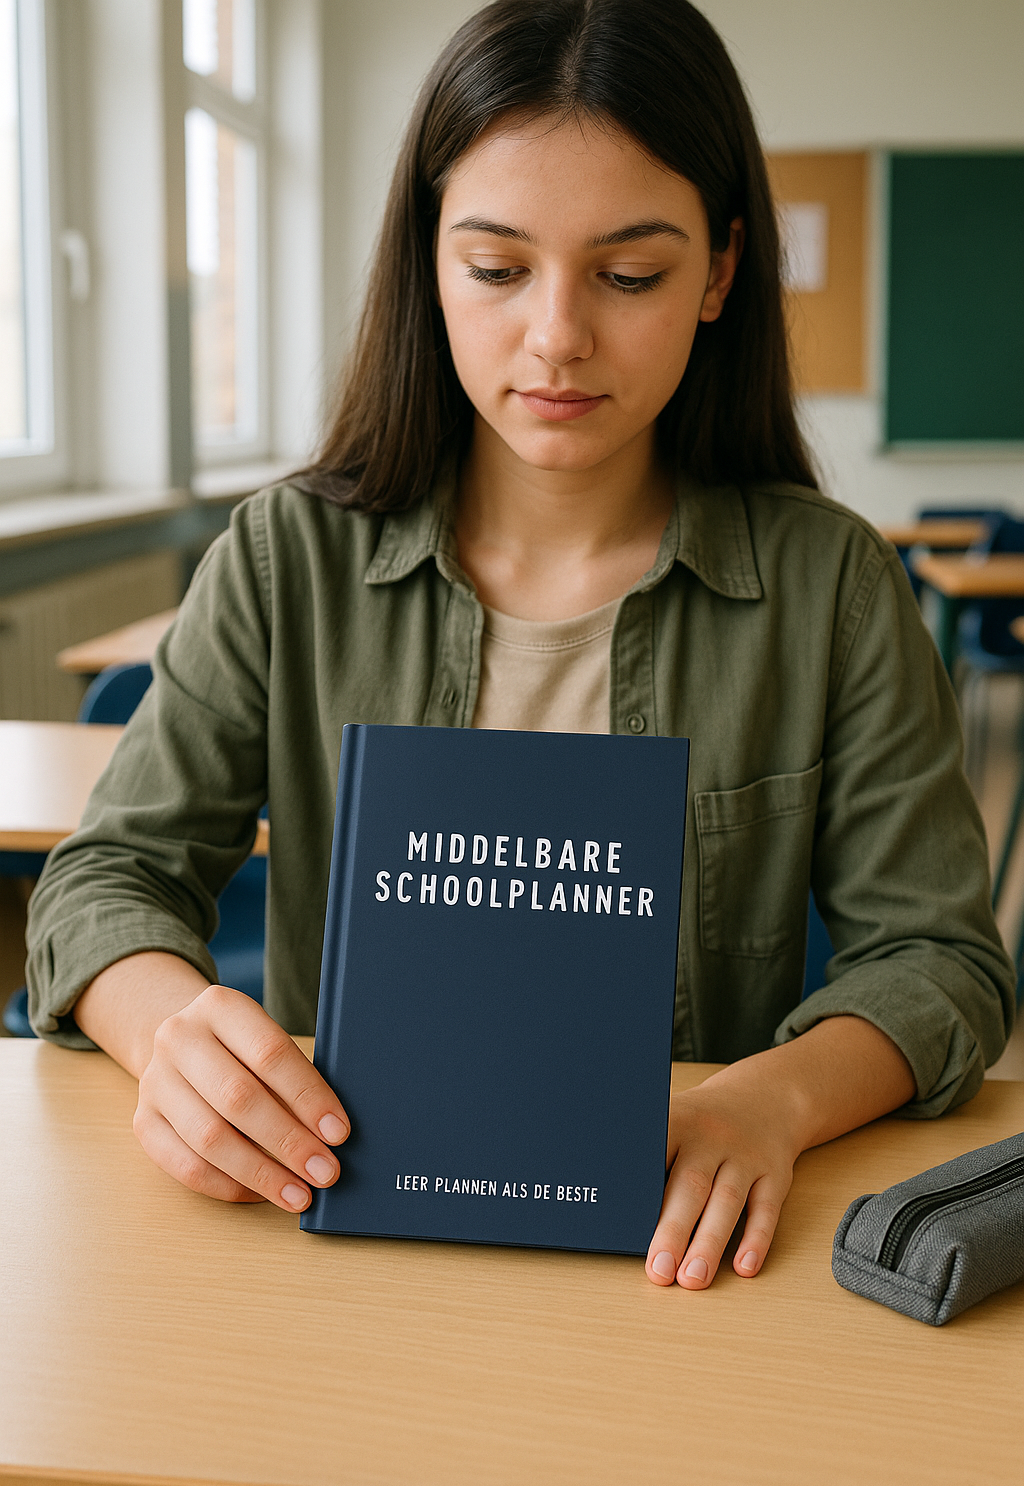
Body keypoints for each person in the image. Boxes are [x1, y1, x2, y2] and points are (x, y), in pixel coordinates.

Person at [30, 0, 1011, 1327]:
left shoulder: (831, 584)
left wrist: (766, 1101)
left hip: (679, 1263)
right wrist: (169, 1031)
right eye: (497, 269)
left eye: (630, 274)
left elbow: (943, 962)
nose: (557, 337)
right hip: (344, 1239)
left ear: (721, 275)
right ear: (428, 264)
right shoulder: (286, 555)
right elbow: (104, 880)